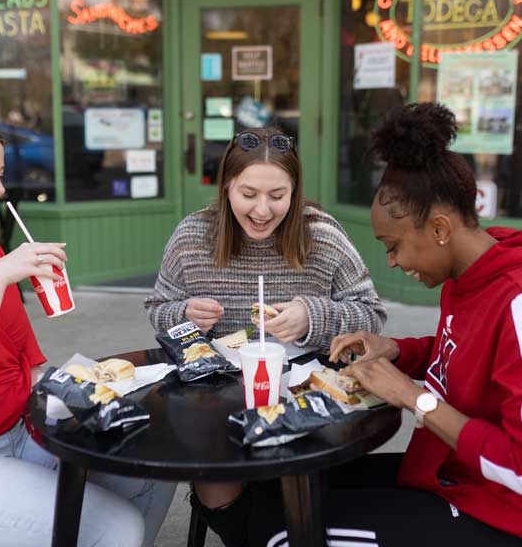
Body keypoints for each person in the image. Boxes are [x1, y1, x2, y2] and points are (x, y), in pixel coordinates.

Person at [209, 102, 522, 547]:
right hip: (447, 471)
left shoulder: (514, 299)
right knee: (277, 489)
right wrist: (398, 350)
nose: (392, 262)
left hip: (496, 512)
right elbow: (468, 353)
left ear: (439, 230)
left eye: (393, 246)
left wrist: (414, 398)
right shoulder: (467, 274)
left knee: (280, 533)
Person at [0, 111, 174, 547]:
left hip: (23, 429)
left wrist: (98, 390)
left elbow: (29, 360)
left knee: (153, 467)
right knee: (115, 527)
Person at [145, 125, 386, 532]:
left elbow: (372, 316)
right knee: (216, 478)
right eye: (248, 194)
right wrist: (183, 312)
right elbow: (157, 308)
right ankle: (251, 533)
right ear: (226, 188)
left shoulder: (322, 235)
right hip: (217, 398)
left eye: (277, 197)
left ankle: (284, 527)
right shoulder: (192, 236)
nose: (262, 211)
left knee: (313, 482)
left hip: (307, 399)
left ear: (294, 191)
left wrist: (314, 316)